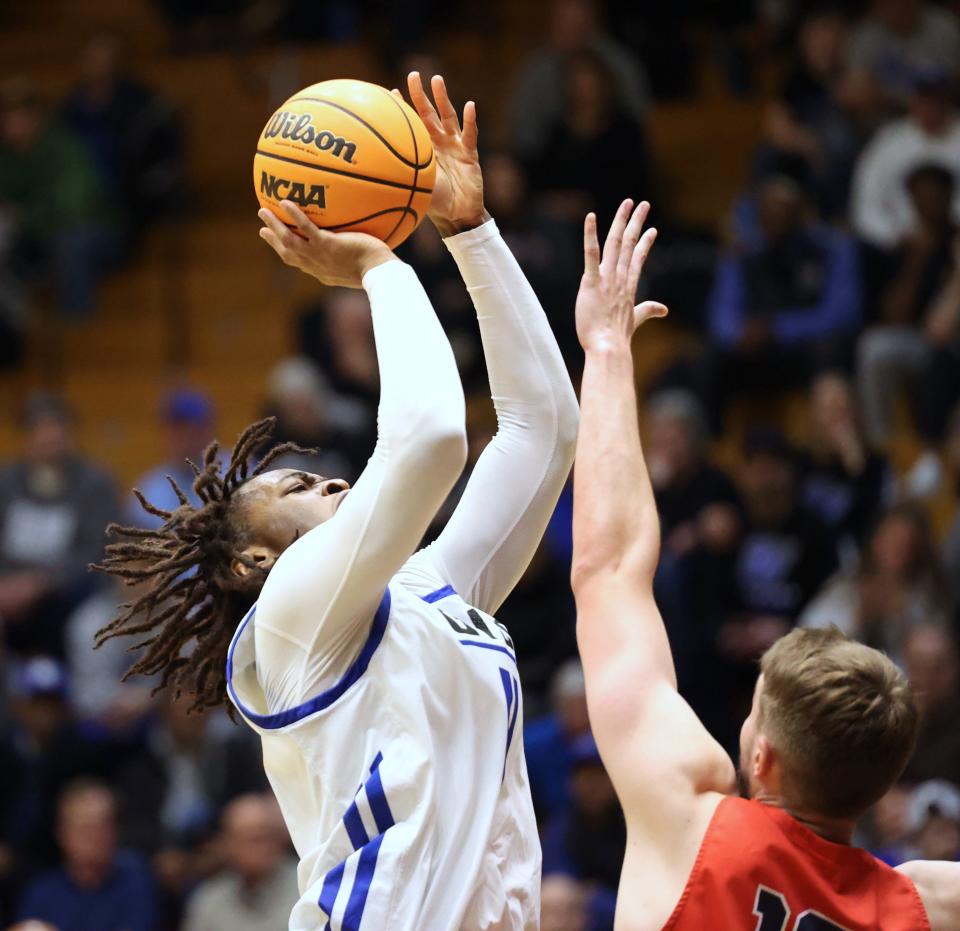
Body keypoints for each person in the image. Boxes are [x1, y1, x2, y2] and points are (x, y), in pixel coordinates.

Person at [93, 72, 578, 930]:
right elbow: (431, 438)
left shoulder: (436, 595)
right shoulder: (290, 616)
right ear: (254, 560)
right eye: (295, 484)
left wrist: (471, 233)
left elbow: (542, 431)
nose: (329, 480)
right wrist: (377, 265)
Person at [569, 197, 960, 929]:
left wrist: (607, 348)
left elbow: (608, 566)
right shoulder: (924, 904)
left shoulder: (686, 822)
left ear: (765, 758)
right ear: (879, 788)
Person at [0, 393, 120, 658]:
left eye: (55, 428)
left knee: (88, 627)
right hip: (7, 594)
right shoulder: (6, 482)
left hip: (72, 596)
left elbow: (98, 552)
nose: (48, 438)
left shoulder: (95, 485)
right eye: (39, 429)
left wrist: (39, 583)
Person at [16, 781, 156, 931]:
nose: (95, 837)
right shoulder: (42, 891)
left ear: (116, 831)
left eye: (103, 826)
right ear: (63, 833)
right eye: (85, 829)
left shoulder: (136, 886)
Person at [850, 70, 960, 252]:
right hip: (898, 245)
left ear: (948, 100)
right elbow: (865, 203)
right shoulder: (890, 140)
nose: (930, 106)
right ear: (912, 100)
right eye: (924, 98)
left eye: (936, 99)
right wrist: (894, 236)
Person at [181, 794, 298, 931]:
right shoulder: (209, 902)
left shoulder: (306, 889)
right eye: (250, 839)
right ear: (227, 844)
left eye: (265, 836)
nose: (260, 847)